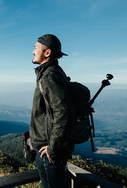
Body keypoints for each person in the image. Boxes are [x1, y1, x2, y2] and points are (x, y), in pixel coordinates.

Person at [30, 34, 74, 188]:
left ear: (47, 52)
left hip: (48, 152)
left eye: (36, 48)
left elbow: (63, 113)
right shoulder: (53, 72)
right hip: (48, 149)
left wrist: (52, 148)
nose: (33, 51)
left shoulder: (49, 76)